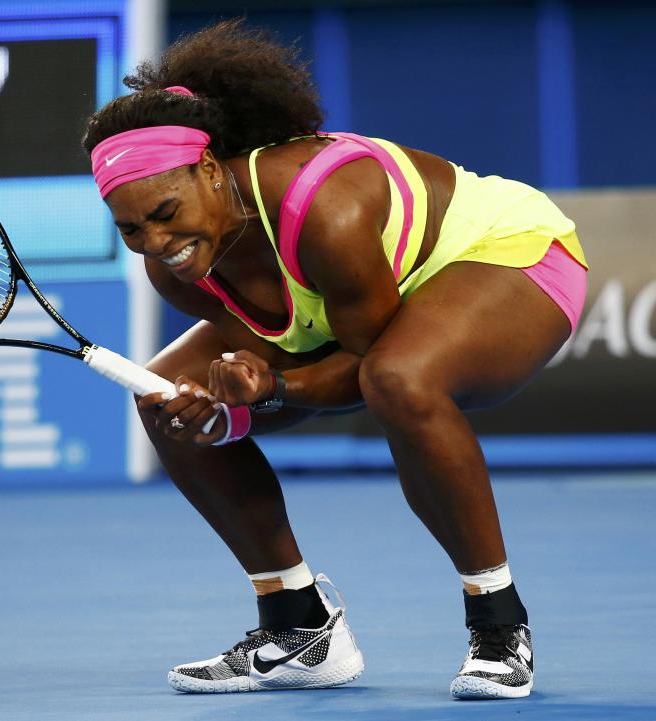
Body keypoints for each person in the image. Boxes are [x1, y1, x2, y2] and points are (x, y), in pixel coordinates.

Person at [82, 19, 587, 699]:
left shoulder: (325, 208)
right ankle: (298, 626)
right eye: (132, 228)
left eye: (166, 212)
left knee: (398, 378)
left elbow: (363, 370)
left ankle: (497, 621)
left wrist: (269, 387)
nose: (157, 240)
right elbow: (281, 348)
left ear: (208, 169)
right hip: (363, 300)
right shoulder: (177, 267)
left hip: (506, 255)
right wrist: (224, 397)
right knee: (168, 401)